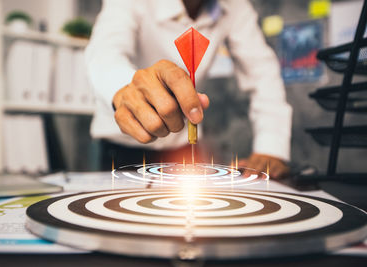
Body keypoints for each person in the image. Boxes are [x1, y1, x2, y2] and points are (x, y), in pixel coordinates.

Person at [85, 0, 292, 179]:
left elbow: (263, 72)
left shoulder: (234, 6)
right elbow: (104, 54)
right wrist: (125, 89)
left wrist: (270, 149)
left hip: (184, 147)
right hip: (122, 147)